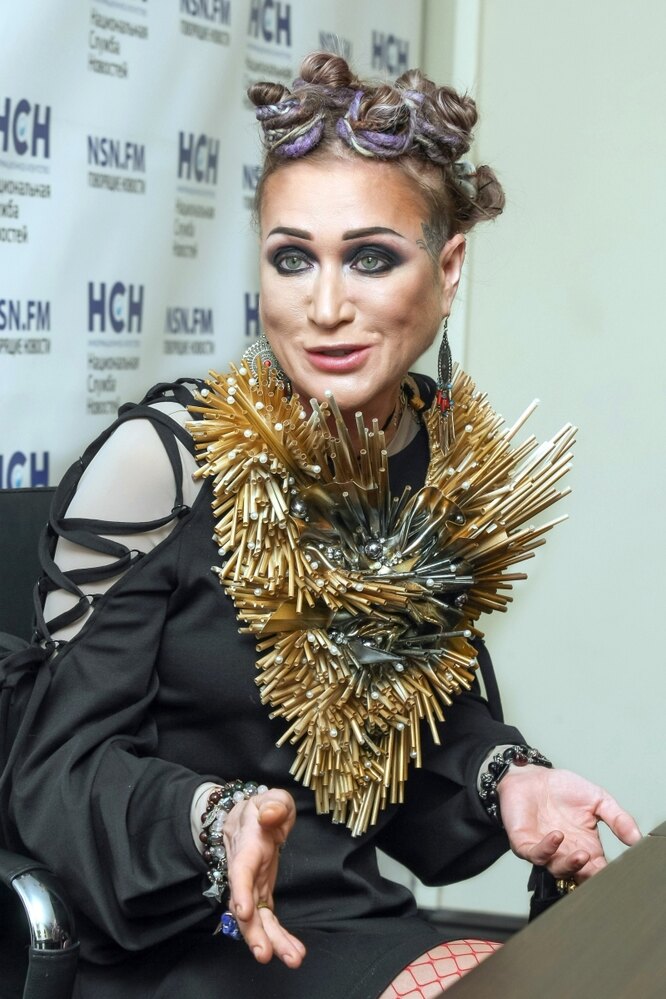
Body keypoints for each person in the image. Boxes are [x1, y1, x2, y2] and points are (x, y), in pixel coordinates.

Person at [8, 53, 640, 999]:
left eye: (371, 257)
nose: (326, 305)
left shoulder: (436, 465)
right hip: (170, 936)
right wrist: (214, 818)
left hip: (344, 916)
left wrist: (506, 777)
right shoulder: (163, 464)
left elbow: (401, 738)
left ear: (449, 267)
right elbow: (56, 771)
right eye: (292, 257)